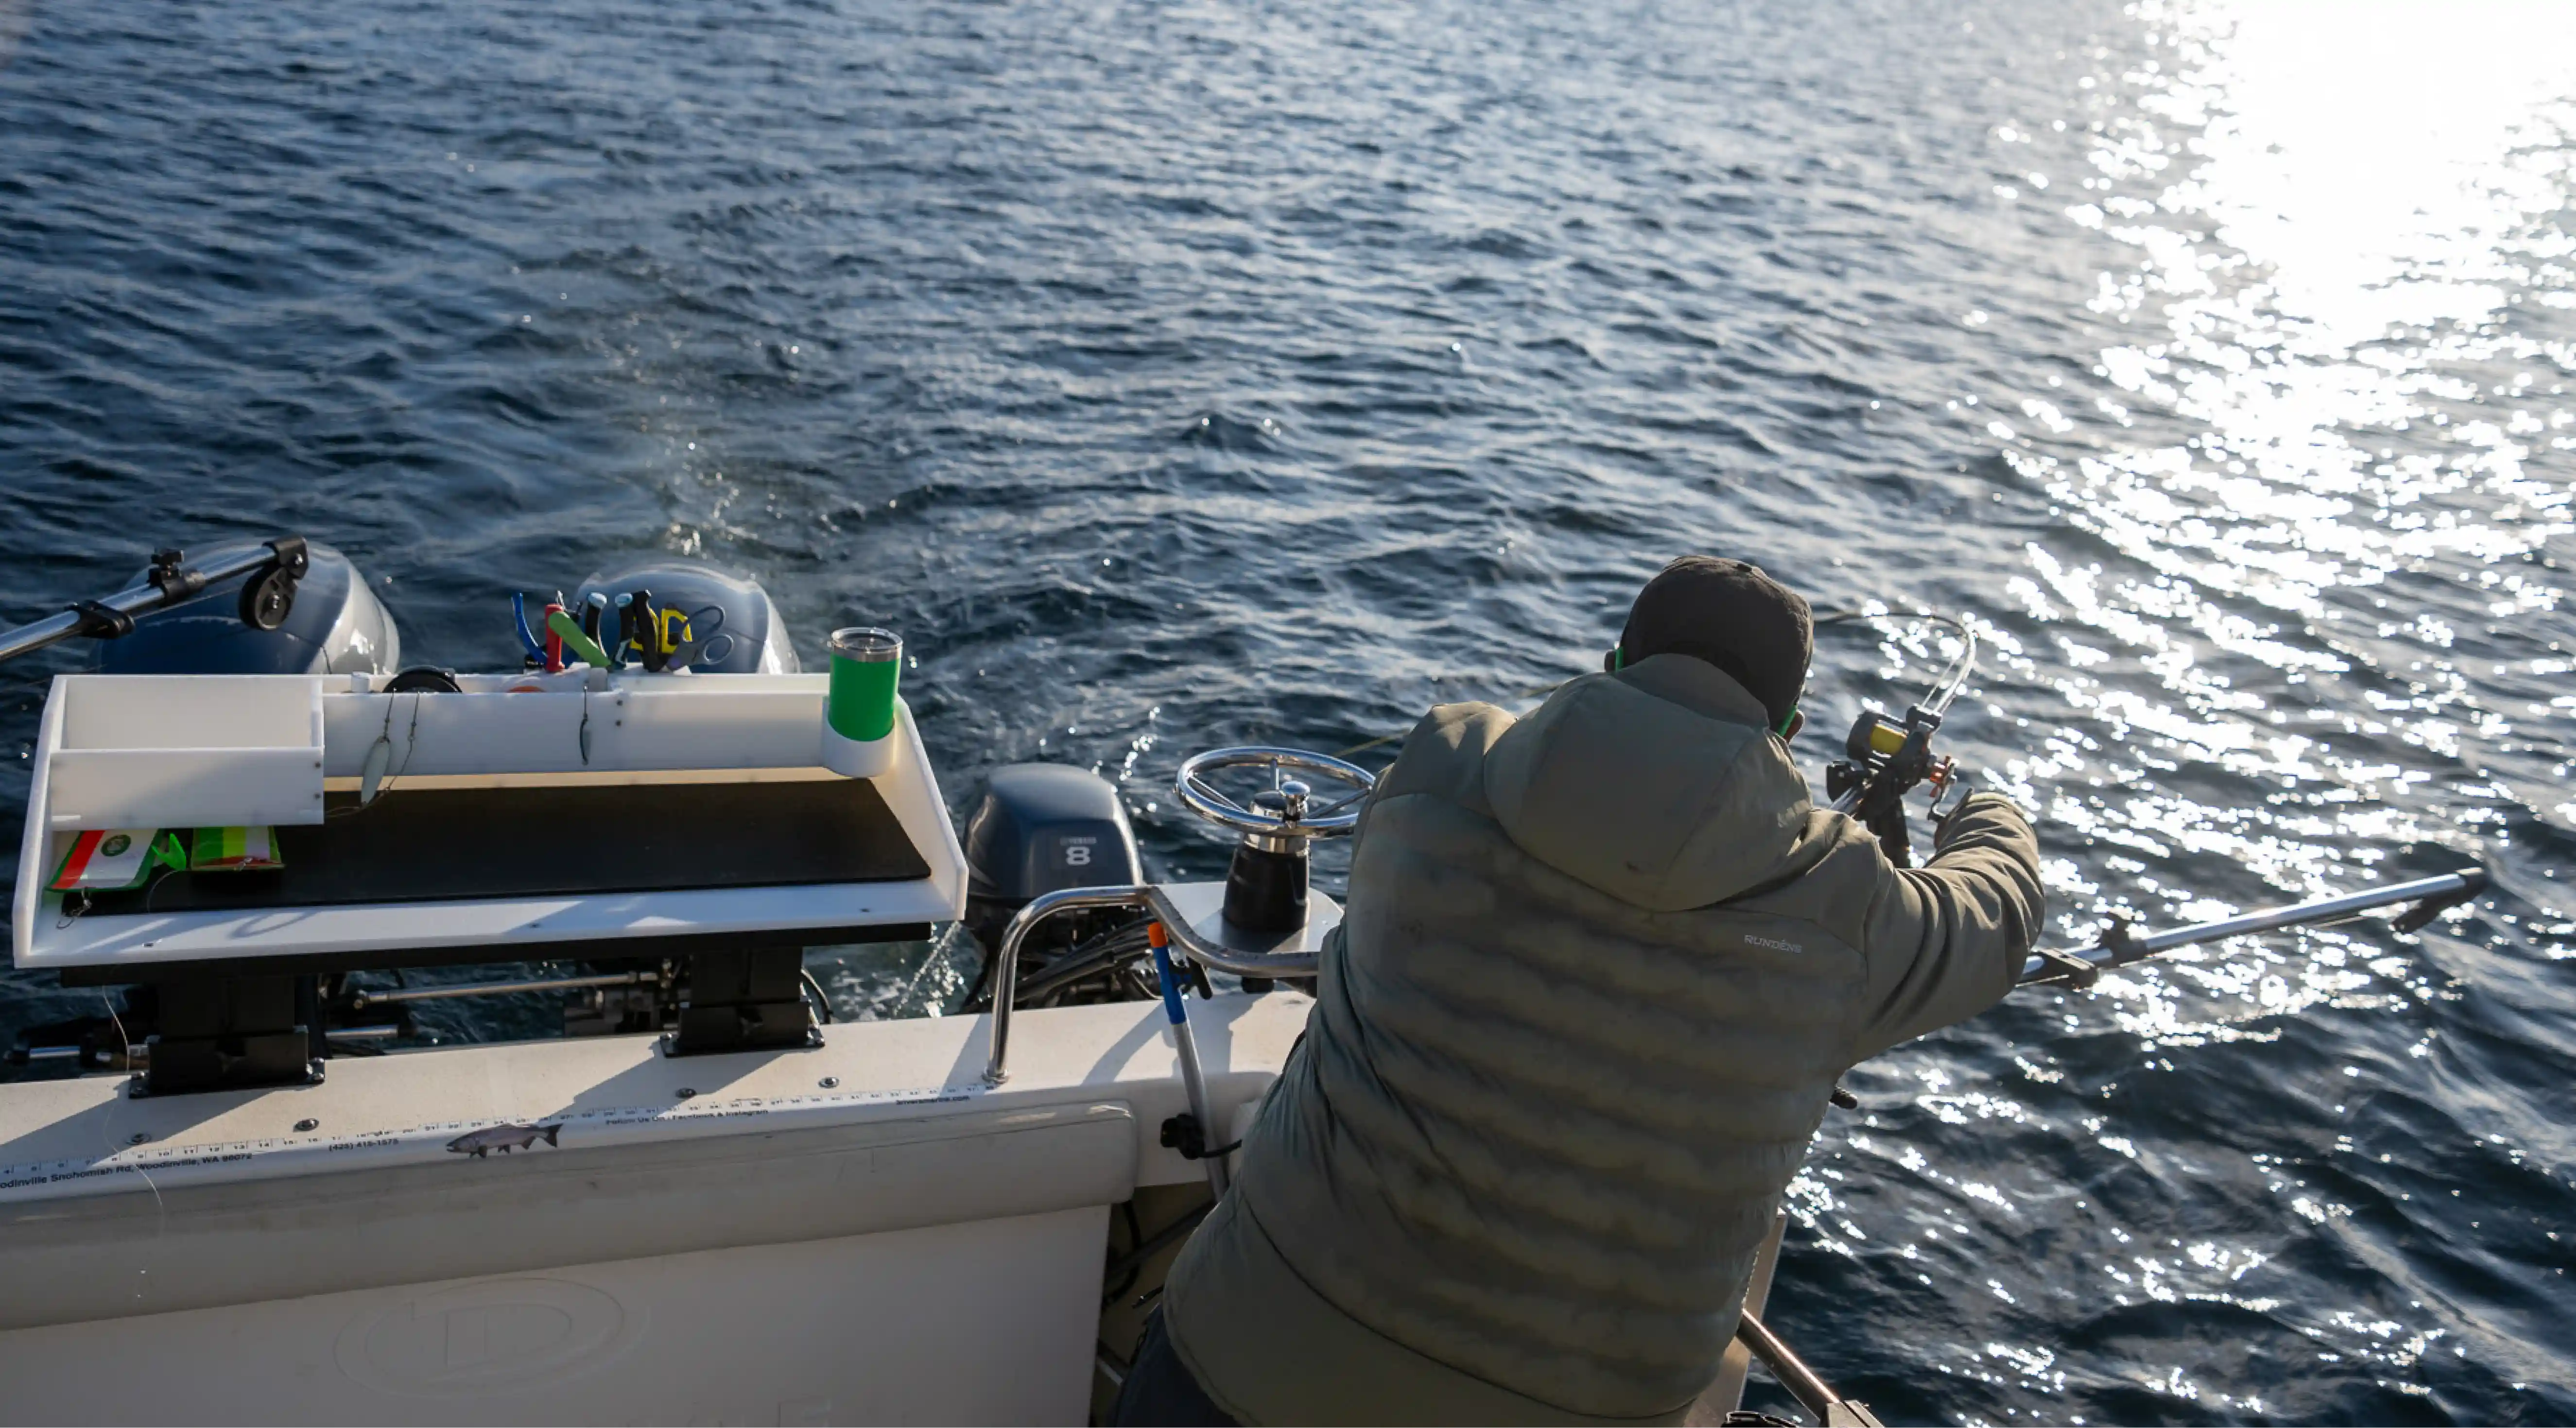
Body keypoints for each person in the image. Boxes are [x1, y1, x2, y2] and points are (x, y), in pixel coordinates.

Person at [1112, 555, 2045, 1428]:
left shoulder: (1440, 767)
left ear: (1614, 662)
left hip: (1241, 1357)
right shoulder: (1852, 908)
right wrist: (1973, 805)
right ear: (1789, 733)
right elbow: (1999, 911)